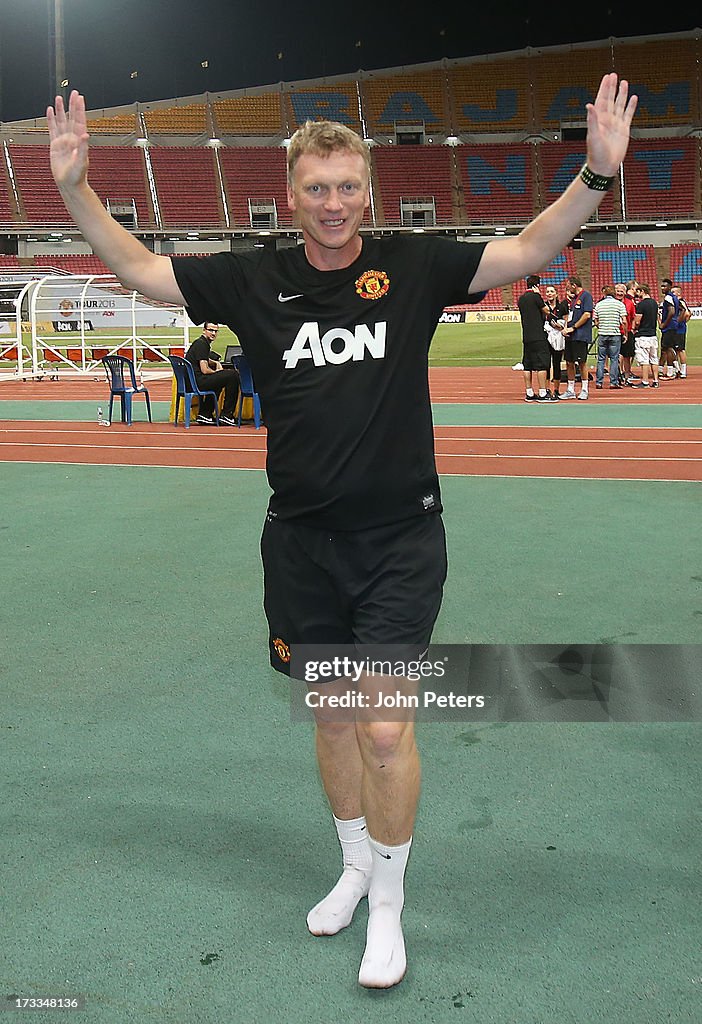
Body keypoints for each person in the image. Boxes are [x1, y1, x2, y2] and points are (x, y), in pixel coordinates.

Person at [47, 74, 636, 990]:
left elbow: (527, 248)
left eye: (348, 185)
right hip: (302, 545)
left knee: (388, 731)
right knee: (329, 717)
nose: (333, 203)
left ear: (367, 189)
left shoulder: (411, 265)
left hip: (401, 542)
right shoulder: (251, 277)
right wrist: (77, 188)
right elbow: (139, 271)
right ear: (291, 194)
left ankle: (390, 909)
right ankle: (355, 864)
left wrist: (596, 175)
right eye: (317, 188)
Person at [185, 321, 240, 425]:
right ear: (204, 330)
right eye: (210, 330)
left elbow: (203, 358)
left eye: (215, 331)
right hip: (197, 382)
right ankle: (227, 415)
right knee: (233, 375)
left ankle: (205, 414)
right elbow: (204, 370)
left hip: (192, 381)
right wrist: (217, 371)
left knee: (218, 381)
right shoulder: (202, 344)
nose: (213, 333)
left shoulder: (200, 343)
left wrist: (215, 362)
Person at [517, 275, 550, 402]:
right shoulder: (536, 297)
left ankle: (529, 392)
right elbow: (546, 310)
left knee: (528, 365)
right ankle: (542, 393)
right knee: (542, 364)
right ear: (537, 285)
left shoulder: (521, 299)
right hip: (538, 335)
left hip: (526, 335)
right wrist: (540, 296)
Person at [562, 275, 594, 400]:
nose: (567, 288)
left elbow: (586, 315)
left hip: (580, 335)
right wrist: (565, 328)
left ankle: (584, 389)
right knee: (569, 362)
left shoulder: (586, 296)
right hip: (570, 336)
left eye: (568, 286)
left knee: (581, 362)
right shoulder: (574, 299)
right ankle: (570, 389)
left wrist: (573, 327)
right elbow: (569, 316)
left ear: (574, 285)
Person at [593, 285, 627, 389]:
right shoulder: (619, 304)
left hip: (603, 333)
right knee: (614, 358)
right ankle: (613, 382)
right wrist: (625, 334)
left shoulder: (599, 305)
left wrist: (601, 327)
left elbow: (596, 321)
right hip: (615, 333)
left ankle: (599, 382)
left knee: (601, 359)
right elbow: (624, 321)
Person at [630, 283, 660, 388]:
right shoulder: (655, 303)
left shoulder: (641, 305)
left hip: (643, 335)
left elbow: (637, 321)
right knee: (654, 358)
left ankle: (645, 381)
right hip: (653, 334)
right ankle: (656, 380)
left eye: (638, 292)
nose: (637, 294)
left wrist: (634, 329)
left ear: (642, 291)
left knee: (644, 360)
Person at [543, 283, 569, 399]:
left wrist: (561, 327)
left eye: (552, 291)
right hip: (546, 338)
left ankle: (557, 390)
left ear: (556, 294)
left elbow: (566, 320)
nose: (549, 294)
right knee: (546, 364)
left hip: (558, 338)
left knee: (557, 363)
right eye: (548, 292)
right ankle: (547, 389)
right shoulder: (543, 306)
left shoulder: (562, 306)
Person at [615, 281, 637, 384]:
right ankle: (618, 375)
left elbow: (633, 317)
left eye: (621, 291)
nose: (619, 293)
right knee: (615, 355)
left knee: (627, 355)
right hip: (614, 332)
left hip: (627, 332)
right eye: (617, 291)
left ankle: (627, 376)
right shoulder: (613, 303)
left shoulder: (629, 303)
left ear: (625, 292)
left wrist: (632, 328)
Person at [658, 277, 680, 380]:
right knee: (667, 348)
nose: (662, 288)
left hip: (669, 326)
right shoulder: (674, 297)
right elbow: (679, 309)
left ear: (670, 287)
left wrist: (664, 324)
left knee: (668, 348)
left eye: (665, 286)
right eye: (661, 286)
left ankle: (671, 372)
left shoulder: (668, 298)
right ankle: (673, 369)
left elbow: (671, 312)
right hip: (673, 325)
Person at [671, 286, 690, 379]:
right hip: (675, 330)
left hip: (679, 330)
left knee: (680, 349)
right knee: (673, 349)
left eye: (674, 292)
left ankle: (683, 370)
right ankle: (677, 369)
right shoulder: (674, 302)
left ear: (679, 293)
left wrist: (679, 322)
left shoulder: (680, 302)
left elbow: (687, 313)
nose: (672, 293)